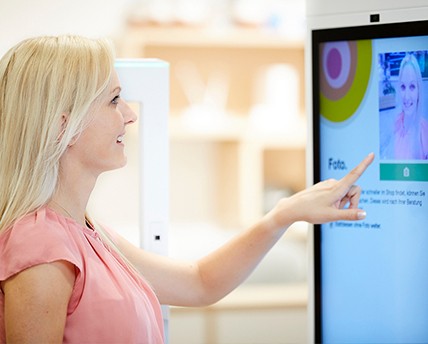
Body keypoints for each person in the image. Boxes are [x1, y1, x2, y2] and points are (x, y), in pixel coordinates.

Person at [0, 35, 374, 343]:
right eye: (114, 100)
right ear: (64, 127)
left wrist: (285, 213)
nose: (129, 114)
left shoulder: (84, 231)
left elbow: (199, 283)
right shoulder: (41, 246)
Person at [393, 53, 428, 159]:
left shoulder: (425, 130)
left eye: (412, 86)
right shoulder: (396, 123)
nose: (406, 97)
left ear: (419, 90)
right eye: (403, 87)